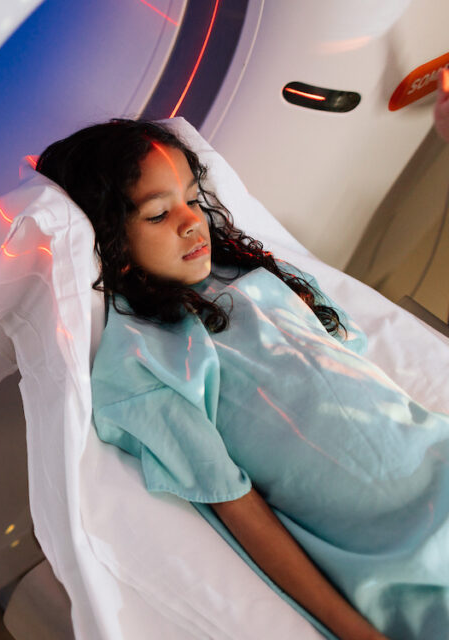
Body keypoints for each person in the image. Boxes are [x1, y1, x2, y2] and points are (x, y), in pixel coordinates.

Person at [36, 119, 449, 640]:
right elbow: (237, 507)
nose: (192, 224)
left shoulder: (260, 277)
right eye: (160, 214)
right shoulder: (144, 362)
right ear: (108, 240)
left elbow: (360, 372)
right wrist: (355, 631)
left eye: (192, 200)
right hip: (403, 556)